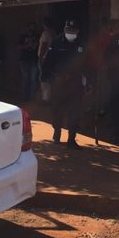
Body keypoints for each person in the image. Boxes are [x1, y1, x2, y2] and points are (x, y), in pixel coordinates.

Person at [41, 19, 87, 150]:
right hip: (58, 83)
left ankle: (71, 139)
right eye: (68, 30)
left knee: (75, 112)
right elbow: (48, 62)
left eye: (72, 30)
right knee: (57, 110)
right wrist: (44, 79)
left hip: (75, 83)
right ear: (64, 29)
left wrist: (88, 80)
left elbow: (87, 63)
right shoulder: (56, 42)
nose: (70, 32)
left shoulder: (82, 44)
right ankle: (57, 133)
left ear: (77, 31)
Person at [18, 22, 40, 101]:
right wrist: (27, 46)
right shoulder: (23, 36)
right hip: (24, 60)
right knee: (25, 78)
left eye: (33, 27)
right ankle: (25, 96)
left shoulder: (37, 36)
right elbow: (19, 47)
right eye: (30, 27)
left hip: (33, 60)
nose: (31, 29)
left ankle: (32, 97)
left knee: (33, 79)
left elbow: (39, 45)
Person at [38, 17, 56, 102]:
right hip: (51, 58)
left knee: (44, 79)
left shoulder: (45, 33)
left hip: (45, 58)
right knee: (49, 78)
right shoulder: (53, 33)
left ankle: (45, 98)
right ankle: (49, 97)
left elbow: (43, 46)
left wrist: (41, 59)